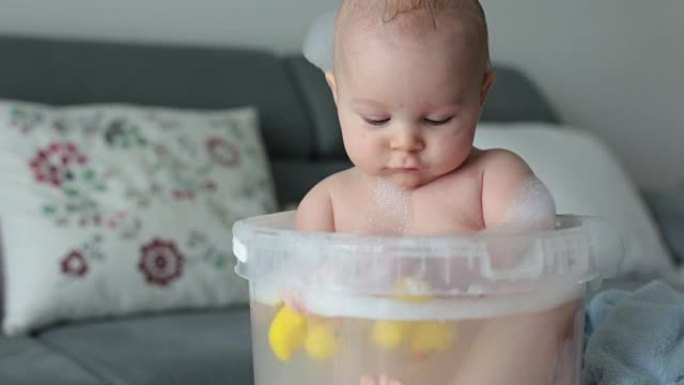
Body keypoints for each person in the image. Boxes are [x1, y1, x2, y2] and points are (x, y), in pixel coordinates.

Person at [293, 1, 577, 384]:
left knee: (548, 306)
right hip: (376, 369)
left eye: (436, 119)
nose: (405, 140)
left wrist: (462, 265)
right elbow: (289, 297)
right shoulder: (326, 204)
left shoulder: (491, 178)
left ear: (481, 94)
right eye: (376, 119)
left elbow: (532, 235)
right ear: (336, 93)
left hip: (477, 363)